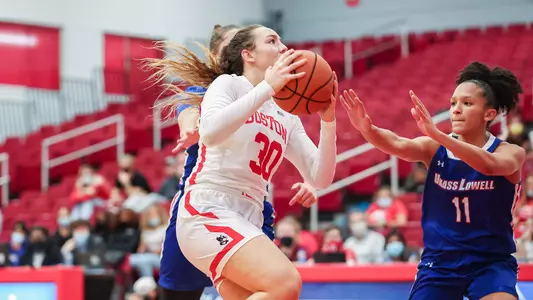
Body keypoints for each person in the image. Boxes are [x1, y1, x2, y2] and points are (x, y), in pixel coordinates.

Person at [151, 24, 337, 299]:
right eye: (272, 40)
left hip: (250, 215)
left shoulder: (287, 115)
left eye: (282, 41)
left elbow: (320, 177)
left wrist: (328, 121)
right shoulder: (228, 85)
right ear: (249, 55)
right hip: (208, 207)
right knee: (286, 282)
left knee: (277, 294)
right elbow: (210, 132)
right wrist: (266, 88)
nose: (283, 47)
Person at [340, 61, 524, 300]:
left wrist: (439, 135)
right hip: (440, 264)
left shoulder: (509, 152)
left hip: (490, 262)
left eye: (467, 103)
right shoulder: (434, 148)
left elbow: (488, 166)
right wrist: (368, 129)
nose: (456, 109)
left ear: (489, 114)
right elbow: (398, 144)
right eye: (453, 103)